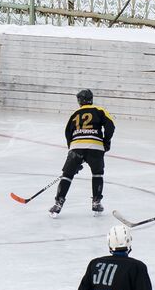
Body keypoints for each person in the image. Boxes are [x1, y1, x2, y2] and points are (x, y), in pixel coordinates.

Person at [50, 89, 116, 218]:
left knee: (67, 176)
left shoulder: (75, 113)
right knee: (97, 174)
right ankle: (96, 202)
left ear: (79, 101)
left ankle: (58, 204)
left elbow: (68, 132)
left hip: (76, 147)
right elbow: (110, 126)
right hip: (95, 147)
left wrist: (73, 153)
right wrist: (105, 142)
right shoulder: (100, 110)